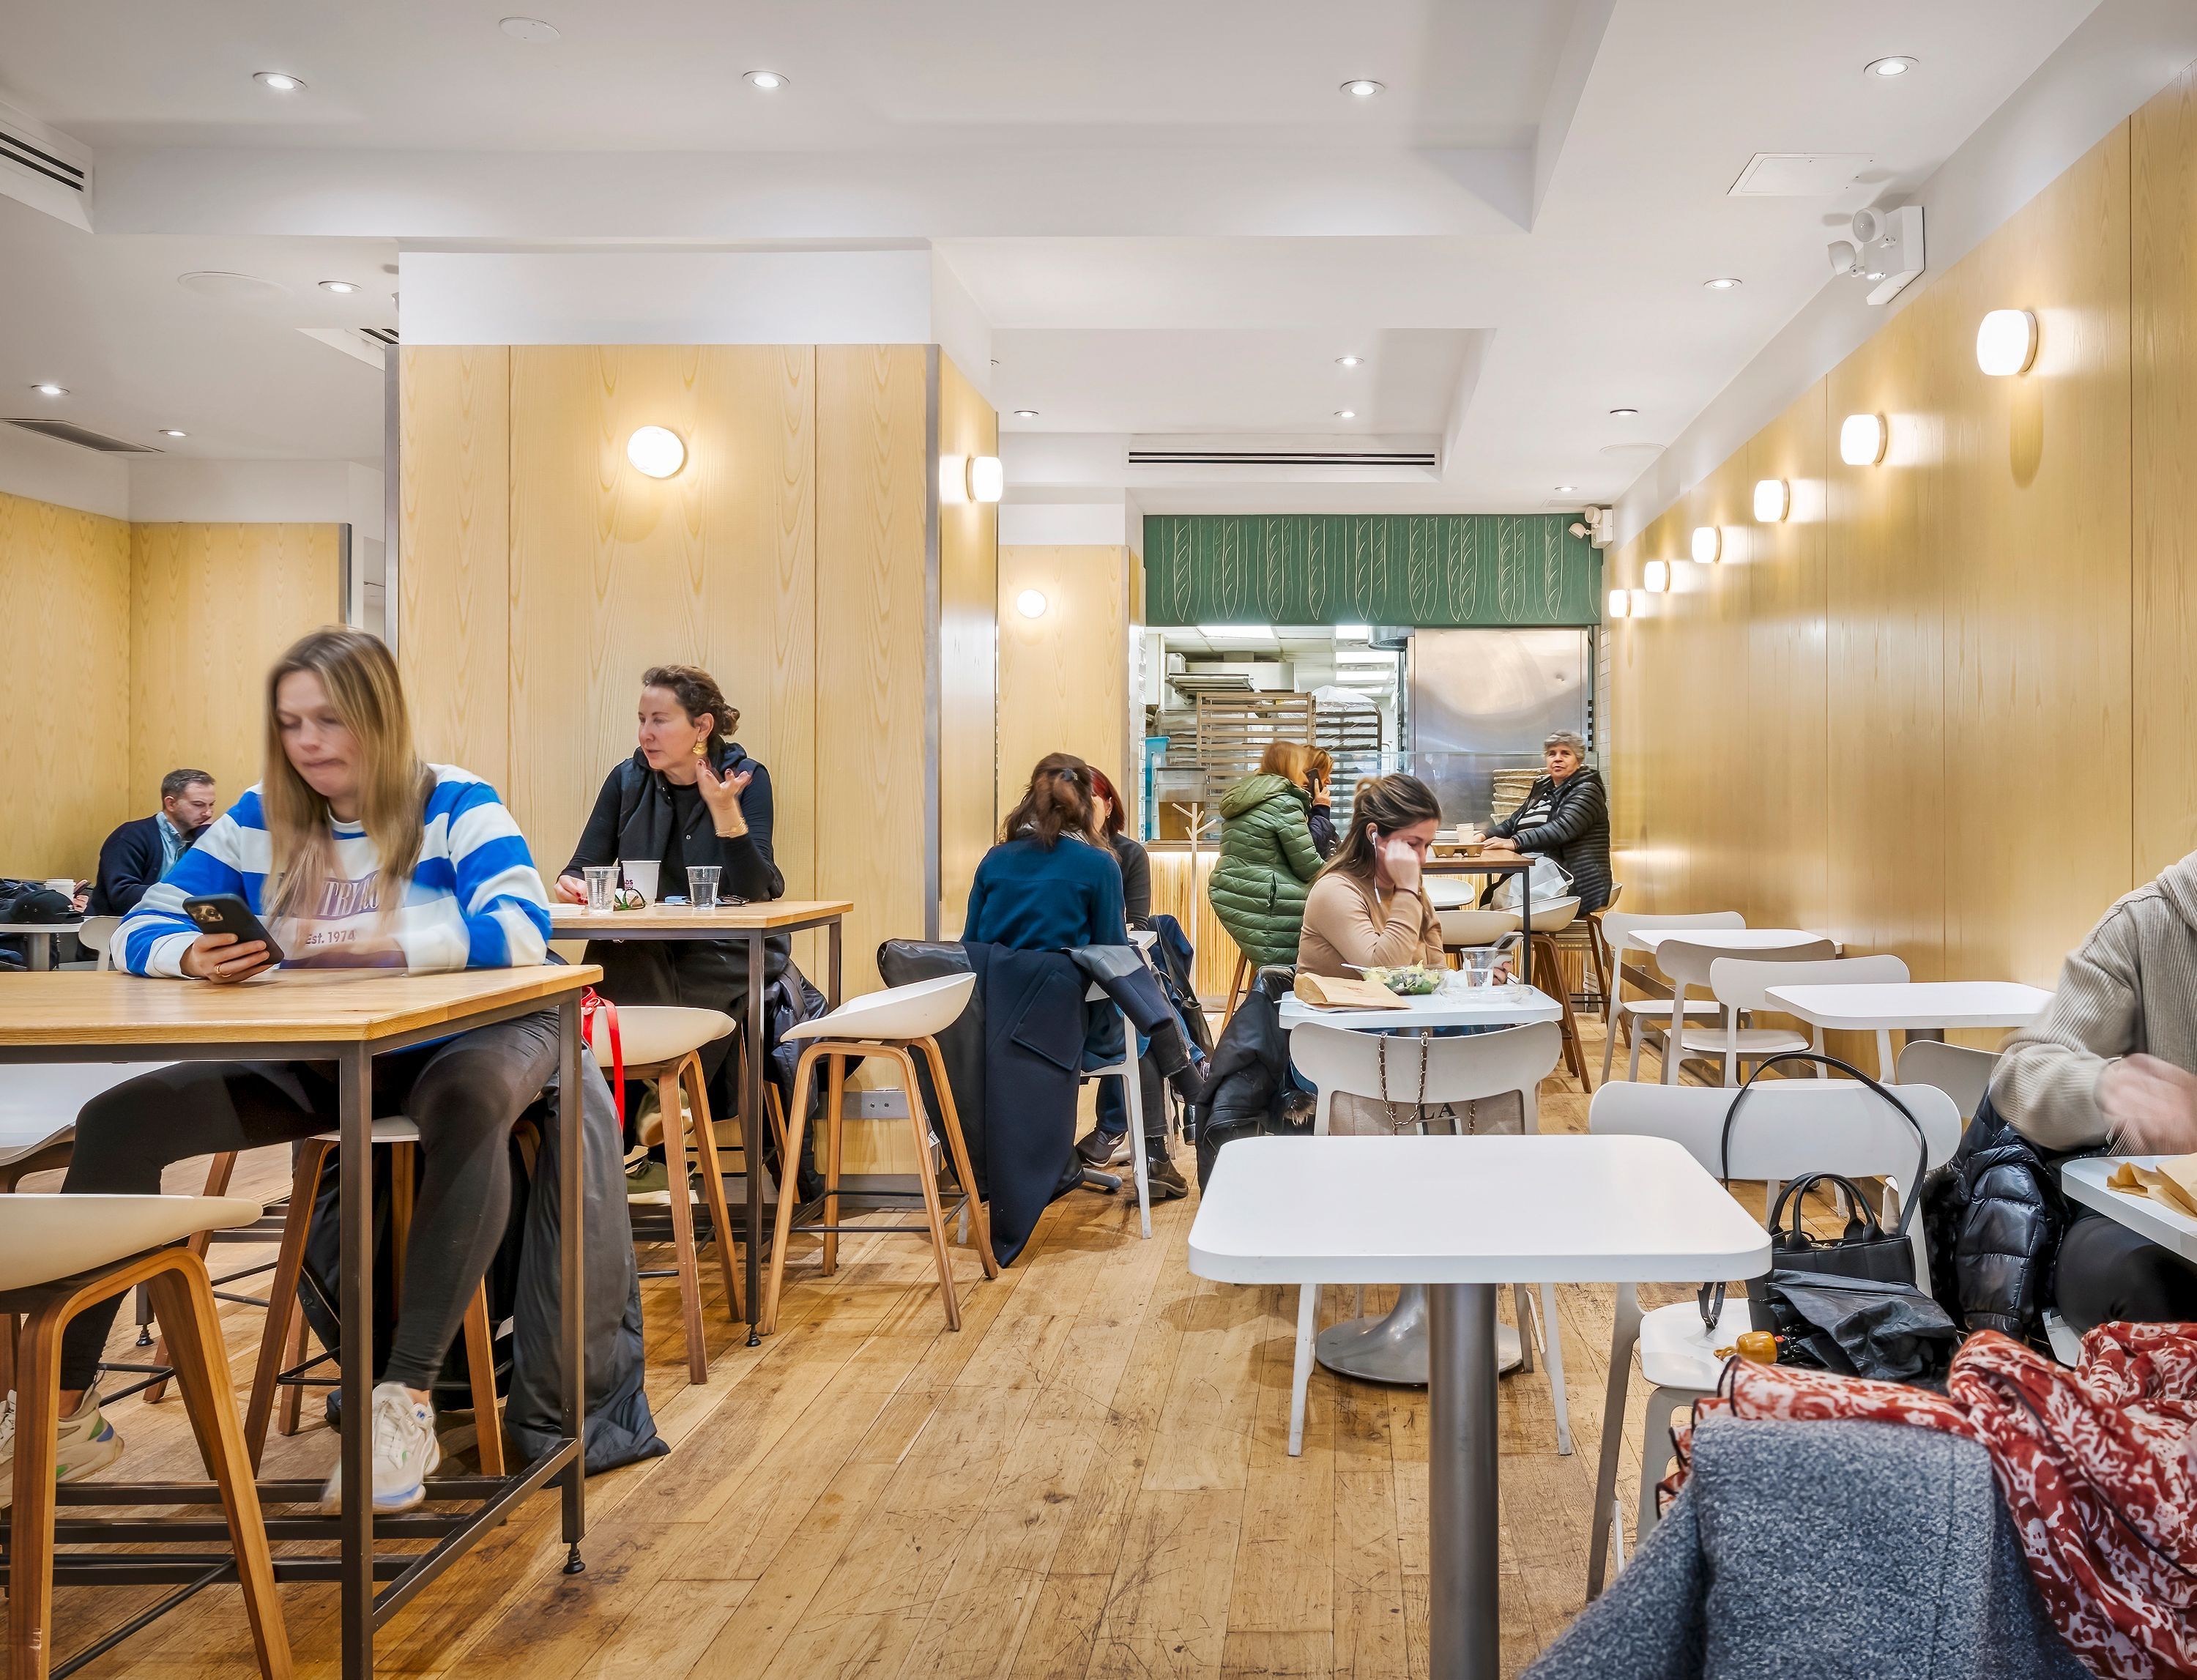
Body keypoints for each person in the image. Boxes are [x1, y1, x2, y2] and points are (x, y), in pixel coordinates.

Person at [42, 628, 556, 1515]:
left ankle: (403, 1399)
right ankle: (60, 1417)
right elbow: (133, 924)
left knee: (470, 1105)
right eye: (291, 723)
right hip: (325, 1049)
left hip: (461, 1040)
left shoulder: (457, 799)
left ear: (380, 717)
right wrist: (189, 956)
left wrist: (377, 944)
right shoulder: (255, 815)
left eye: (330, 718)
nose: (309, 741)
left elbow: (521, 925)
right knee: (120, 1119)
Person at [554, 666, 784, 1110]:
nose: (646, 733)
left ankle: (651, 1111)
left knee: (638, 970)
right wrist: (573, 885)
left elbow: (759, 889)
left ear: (702, 725)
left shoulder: (744, 778)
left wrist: (725, 813)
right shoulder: (627, 779)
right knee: (619, 954)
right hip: (646, 943)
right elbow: (582, 867)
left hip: (726, 947)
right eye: (642, 719)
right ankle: (660, 1104)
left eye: (659, 720)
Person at [970, 754, 1192, 1199]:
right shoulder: (1099, 865)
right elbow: (1110, 951)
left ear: (1030, 799)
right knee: (1140, 1025)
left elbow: (971, 946)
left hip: (994, 1032)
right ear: (1090, 803)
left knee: (1141, 1010)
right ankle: (1166, 1139)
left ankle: (1180, 1091)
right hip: (1069, 1031)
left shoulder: (994, 862)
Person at [1991, 850, 2197, 1329]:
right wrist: (2108, 1088)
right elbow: (2022, 1072)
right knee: (2147, 1285)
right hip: (2144, 1214)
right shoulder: (2147, 922)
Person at [1297, 773, 1446, 978]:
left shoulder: (1409, 887)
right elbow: (1383, 972)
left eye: (1427, 845)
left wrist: (1482, 982)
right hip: (1345, 1009)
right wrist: (1407, 891)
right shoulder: (1335, 890)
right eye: (1412, 844)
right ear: (1373, 835)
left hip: (1402, 1010)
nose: (1422, 859)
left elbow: (1436, 972)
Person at [1207, 741, 1325, 973]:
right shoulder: (1284, 803)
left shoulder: (1248, 797)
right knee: (1334, 917)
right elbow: (1307, 866)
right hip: (1267, 899)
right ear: (1290, 769)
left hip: (1239, 892)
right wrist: (1340, 872)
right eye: (1303, 770)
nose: (1306, 779)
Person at [1482, 730, 1612, 913]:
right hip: (1539, 873)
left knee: (1499, 901)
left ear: (1579, 760)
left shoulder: (1587, 790)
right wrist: (1482, 836)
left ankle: (1517, 939)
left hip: (1575, 881)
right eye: (1552, 753)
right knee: (1489, 895)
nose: (1557, 758)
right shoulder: (1544, 788)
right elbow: (1512, 823)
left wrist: (1514, 842)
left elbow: (1562, 828)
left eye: (1565, 753)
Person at [88, 767, 218, 915]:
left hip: (174, 923)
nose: (208, 813)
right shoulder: (130, 836)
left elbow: (213, 887)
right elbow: (122, 897)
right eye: (198, 805)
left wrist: (205, 836)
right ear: (171, 804)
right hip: (117, 926)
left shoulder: (199, 837)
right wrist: (183, 894)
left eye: (211, 805)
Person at [1087, 767, 1150, 929]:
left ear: (1108, 807)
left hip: (1109, 949)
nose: (1081, 816)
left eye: (1089, 806)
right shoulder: (1054, 852)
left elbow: (1137, 925)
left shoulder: (1131, 854)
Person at [1305, 748, 1339, 861]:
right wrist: (1321, 809)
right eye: (1326, 774)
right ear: (1310, 775)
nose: (1329, 781)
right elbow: (1313, 852)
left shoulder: (1308, 804)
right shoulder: (1294, 805)